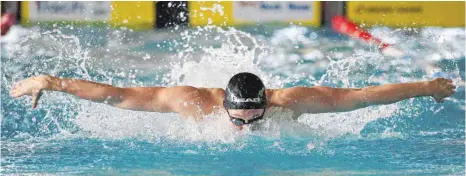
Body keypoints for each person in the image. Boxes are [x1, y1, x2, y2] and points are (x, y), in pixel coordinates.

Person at [10, 72, 456, 129]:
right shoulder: (190, 101)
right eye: (237, 120)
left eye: (253, 119)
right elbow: (118, 95)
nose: (245, 129)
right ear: (221, 105)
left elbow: (361, 97)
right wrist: (50, 82)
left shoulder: (292, 101)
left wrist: (424, 87)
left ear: (268, 104)